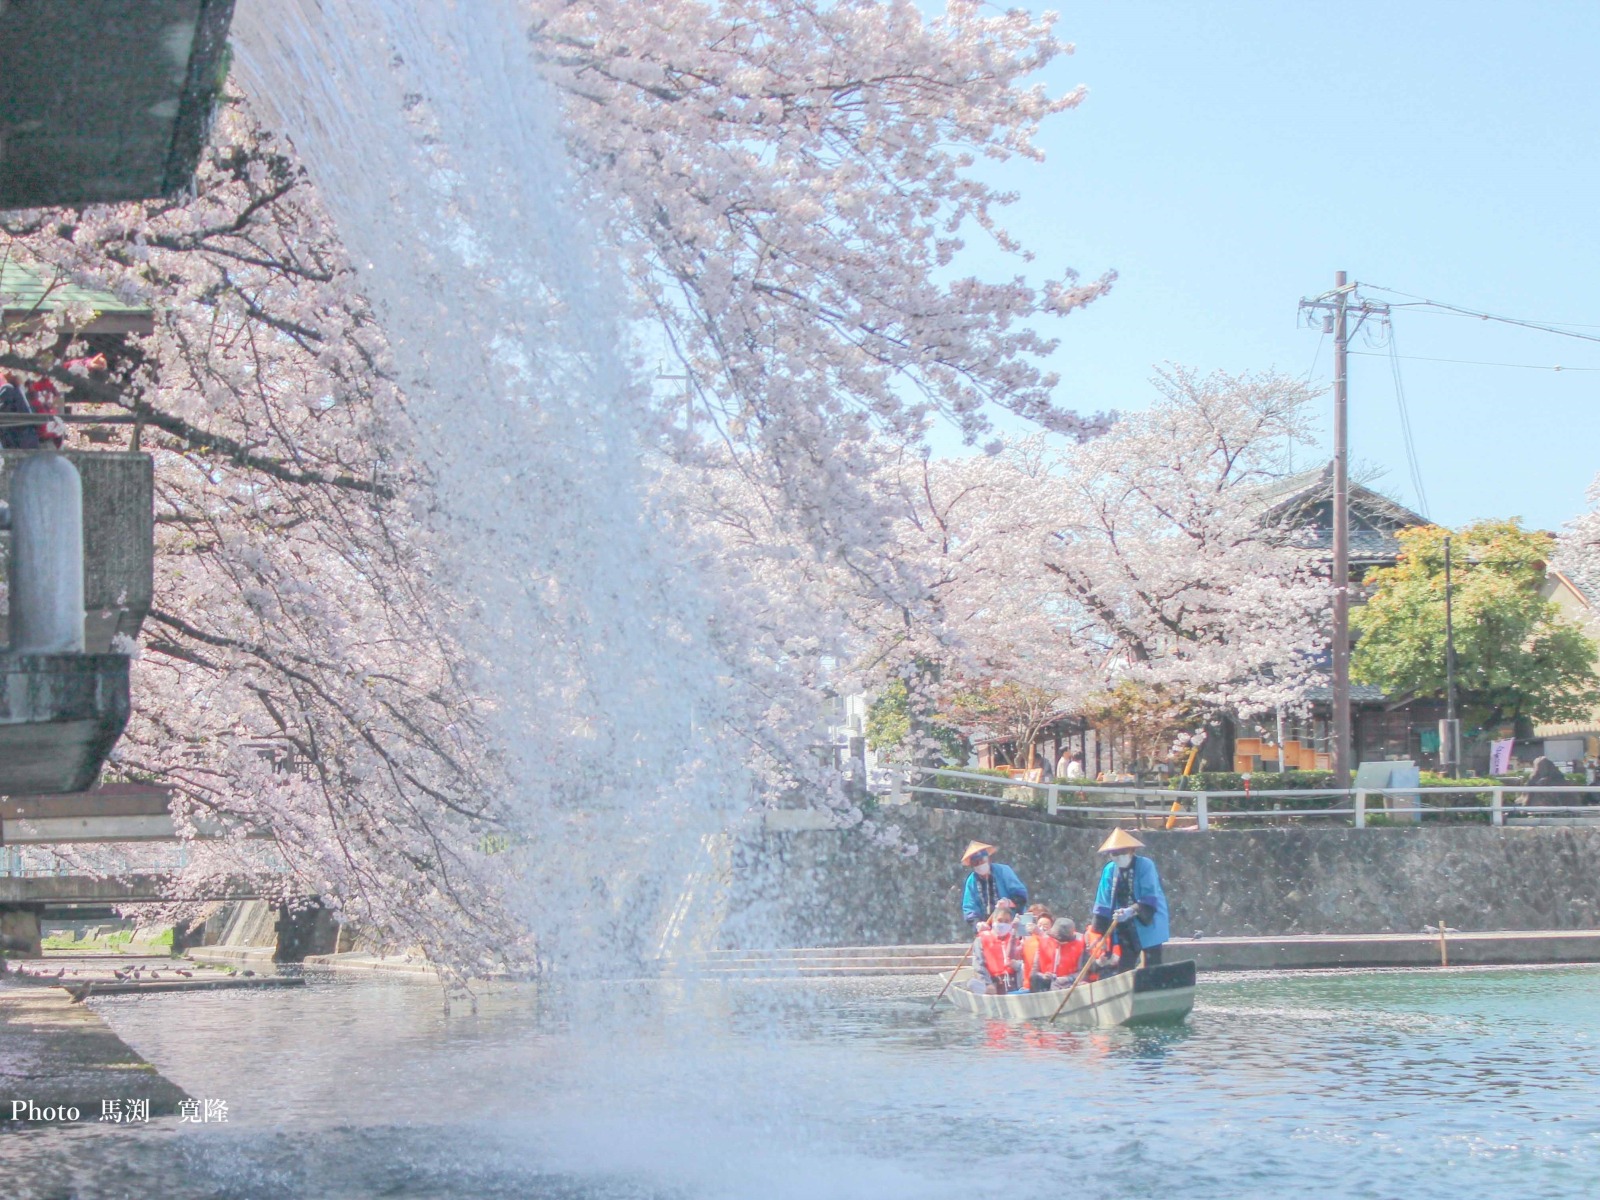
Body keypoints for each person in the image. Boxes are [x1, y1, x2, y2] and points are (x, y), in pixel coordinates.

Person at [1090, 827, 1170, 972]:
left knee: (1152, 960)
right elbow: (1103, 901)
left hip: (1147, 919)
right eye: (1114, 853)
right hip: (1123, 922)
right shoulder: (1109, 870)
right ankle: (1126, 982)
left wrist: (1131, 911)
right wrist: (1100, 934)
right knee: (1126, 962)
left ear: (1132, 851)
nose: (1119, 856)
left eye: (1123, 852)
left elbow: (1149, 896)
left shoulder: (1145, 865)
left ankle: (1154, 981)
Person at [960, 841, 1028, 930]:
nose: (980, 864)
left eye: (982, 860)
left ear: (988, 859)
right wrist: (977, 924)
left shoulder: (1003, 871)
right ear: (972, 865)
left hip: (1016, 921)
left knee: (1024, 933)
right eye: (976, 862)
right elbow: (969, 908)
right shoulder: (971, 881)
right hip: (990, 927)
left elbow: (1021, 896)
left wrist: (1009, 902)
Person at [970, 899, 1025, 995]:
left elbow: (1023, 962)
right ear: (993, 921)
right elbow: (979, 965)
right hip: (992, 983)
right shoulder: (981, 939)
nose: (1003, 924)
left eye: (1006, 921)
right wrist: (987, 984)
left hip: (1014, 983)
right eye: (1000, 920)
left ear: (1010, 923)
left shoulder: (1015, 939)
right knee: (972, 983)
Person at [0, 374, 40, 450]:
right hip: (18, 437)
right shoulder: (8, 389)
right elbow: (4, 411)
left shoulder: (20, 390)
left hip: (27, 436)